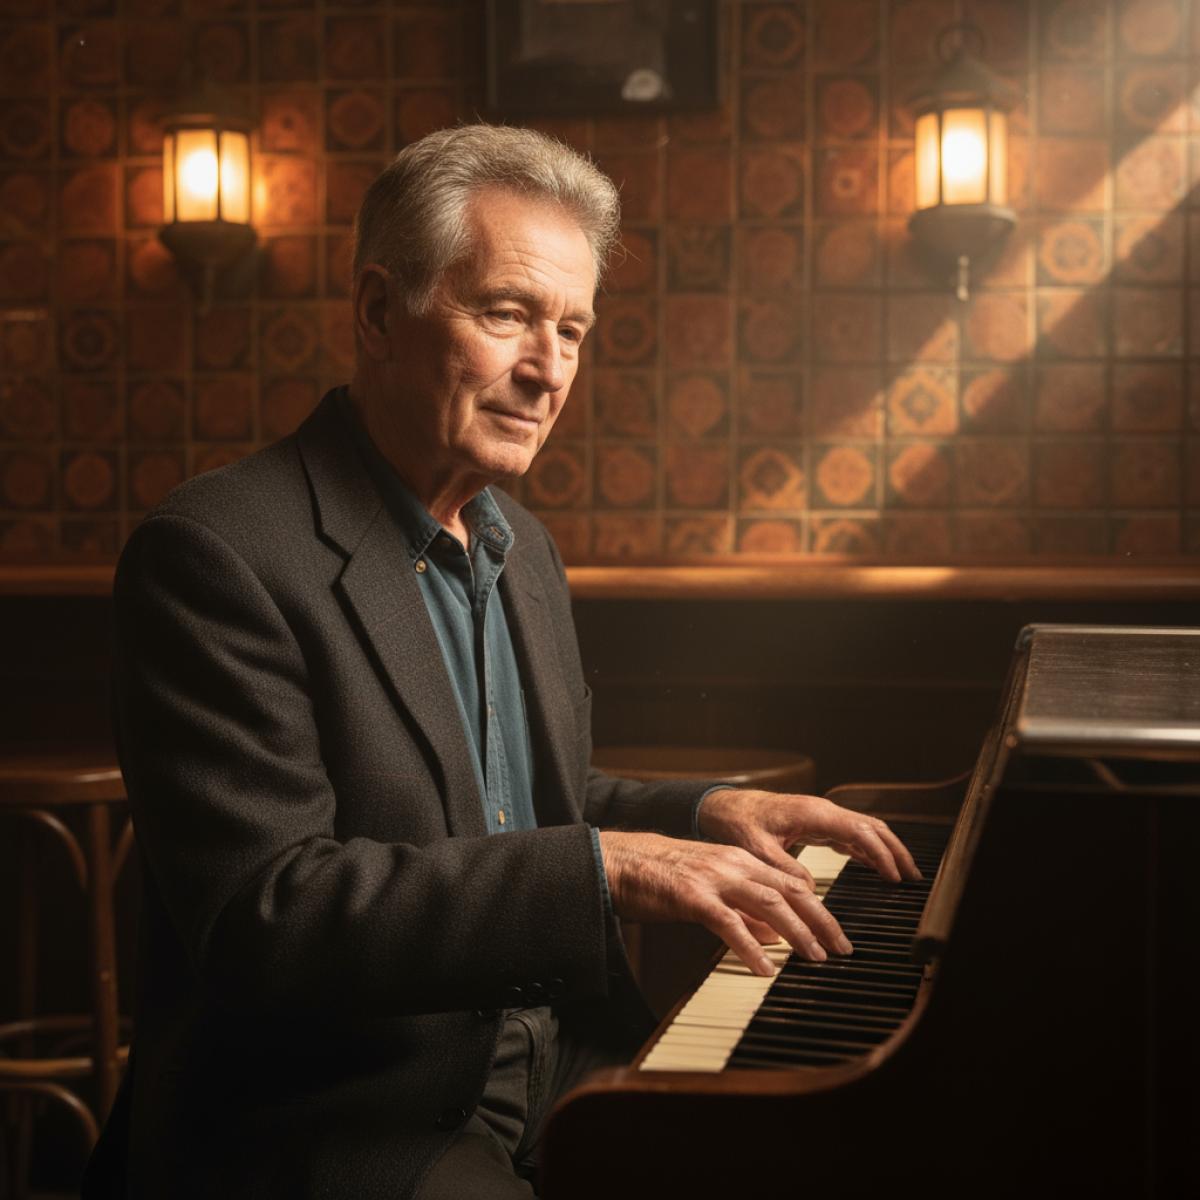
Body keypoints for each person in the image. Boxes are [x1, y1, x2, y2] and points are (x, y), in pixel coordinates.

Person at [85, 124, 919, 1200]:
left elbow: (508, 807)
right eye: (508, 314)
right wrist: (610, 868)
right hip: (343, 1109)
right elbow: (271, 913)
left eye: (572, 330)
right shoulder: (216, 551)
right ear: (379, 311)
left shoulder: (520, 546)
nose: (548, 370)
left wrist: (702, 813)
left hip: (559, 1054)